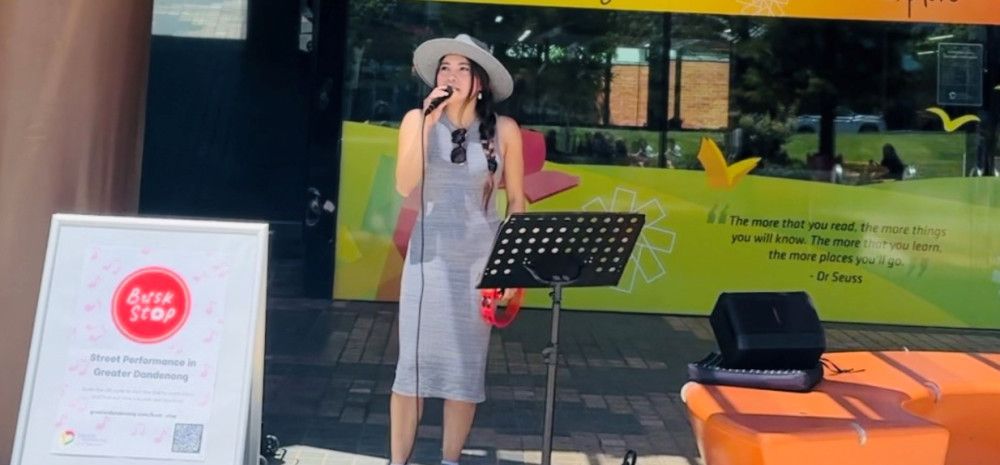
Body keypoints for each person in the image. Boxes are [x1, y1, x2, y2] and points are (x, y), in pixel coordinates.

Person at [392, 33, 526, 465]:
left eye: (463, 69)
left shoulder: (504, 130)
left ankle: (450, 460)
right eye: (445, 68)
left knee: (463, 372)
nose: (451, 75)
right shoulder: (417, 120)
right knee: (411, 372)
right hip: (427, 263)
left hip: (478, 265)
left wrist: (511, 269)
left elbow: (517, 203)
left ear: (480, 82)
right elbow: (404, 184)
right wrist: (428, 123)